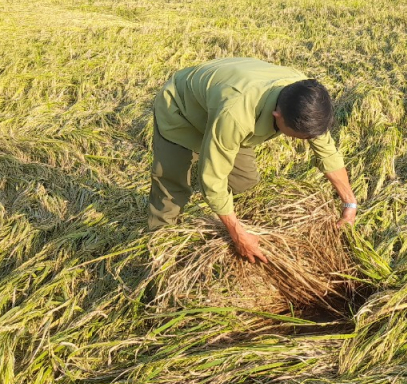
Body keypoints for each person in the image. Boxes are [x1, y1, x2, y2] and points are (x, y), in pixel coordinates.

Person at [149, 57, 358, 263]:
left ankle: (241, 226)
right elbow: (212, 179)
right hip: (181, 109)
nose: (302, 140)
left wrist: (349, 203)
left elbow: (328, 153)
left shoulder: (305, 99)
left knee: (245, 183)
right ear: (277, 115)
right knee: (172, 188)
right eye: (297, 135)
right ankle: (160, 252)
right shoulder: (237, 114)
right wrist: (237, 234)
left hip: (222, 101)